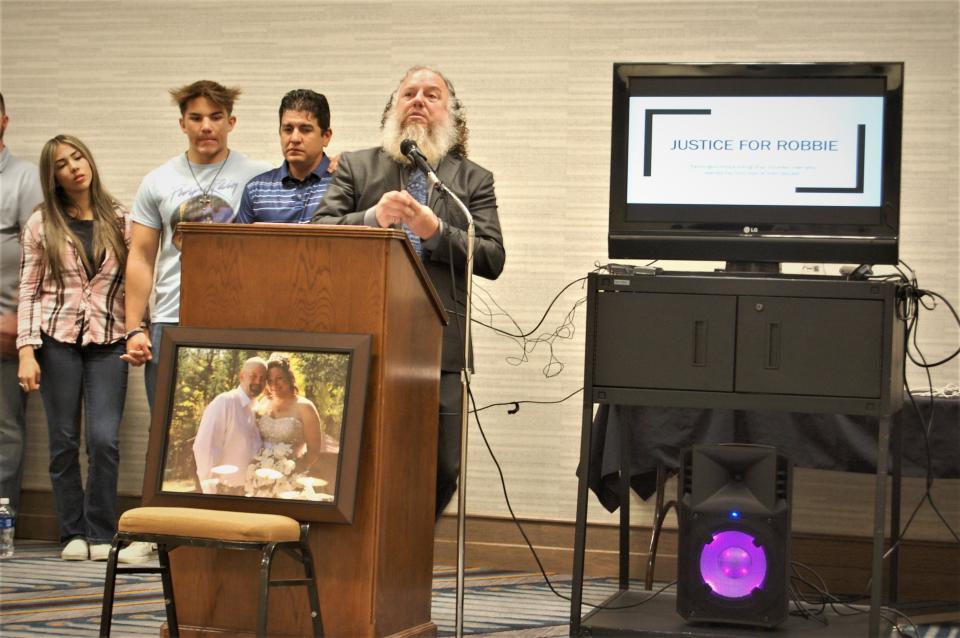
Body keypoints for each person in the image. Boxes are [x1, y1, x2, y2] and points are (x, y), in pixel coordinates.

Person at [312, 66, 506, 519]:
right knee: (356, 455)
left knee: (443, 464)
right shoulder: (357, 168)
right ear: (393, 108)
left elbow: (492, 256)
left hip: (440, 344)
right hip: (363, 339)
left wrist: (436, 230)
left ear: (451, 114)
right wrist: (369, 218)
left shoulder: (472, 180)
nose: (418, 100)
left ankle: (411, 541)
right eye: (409, 93)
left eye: (432, 94)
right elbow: (318, 233)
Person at [122, 80, 270, 409]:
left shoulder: (261, 176)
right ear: (182, 124)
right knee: (163, 428)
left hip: (237, 317)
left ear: (231, 122)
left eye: (216, 117)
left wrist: (335, 163)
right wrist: (134, 328)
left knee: (232, 422)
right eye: (196, 118)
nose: (206, 126)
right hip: (171, 318)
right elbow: (142, 257)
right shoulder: (157, 180)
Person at [17, 135, 130, 561]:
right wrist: (27, 350)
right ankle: (72, 532)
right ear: (54, 176)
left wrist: (137, 329)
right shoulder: (40, 223)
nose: (74, 167)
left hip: (108, 339)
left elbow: (134, 282)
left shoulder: (121, 219)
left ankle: (101, 532)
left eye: (78, 157)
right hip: (55, 339)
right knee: (63, 439)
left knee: (103, 439)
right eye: (62, 164)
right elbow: (28, 290)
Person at [0, 92, 43, 515]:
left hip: (5, 326)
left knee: (5, 428)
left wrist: (19, 318)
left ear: (5, 121)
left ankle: (2, 521)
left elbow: (38, 253)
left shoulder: (24, 177)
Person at [235, 89, 334, 224]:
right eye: (288, 129)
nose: (294, 138)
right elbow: (239, 244)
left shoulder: (345, 185)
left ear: (326, 137)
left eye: (305, 130)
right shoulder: (256, 189)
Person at [192, 357, 267, 494]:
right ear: (241, 376)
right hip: (223, 491)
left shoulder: (254, 410)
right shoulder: (226, 402)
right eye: (253, 376)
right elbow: (205, 447)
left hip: (247, 492)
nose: (258, 381)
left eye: (263, 378)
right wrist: (211, 491)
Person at [256, 353, 324, 471]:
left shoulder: (305, 407)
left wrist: (294, 473)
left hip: (291, 475)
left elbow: (314, 450)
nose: (274, 384)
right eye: (270, 380)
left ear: (289, 378)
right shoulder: (263, 402)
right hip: (261, 472)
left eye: (279, 378)